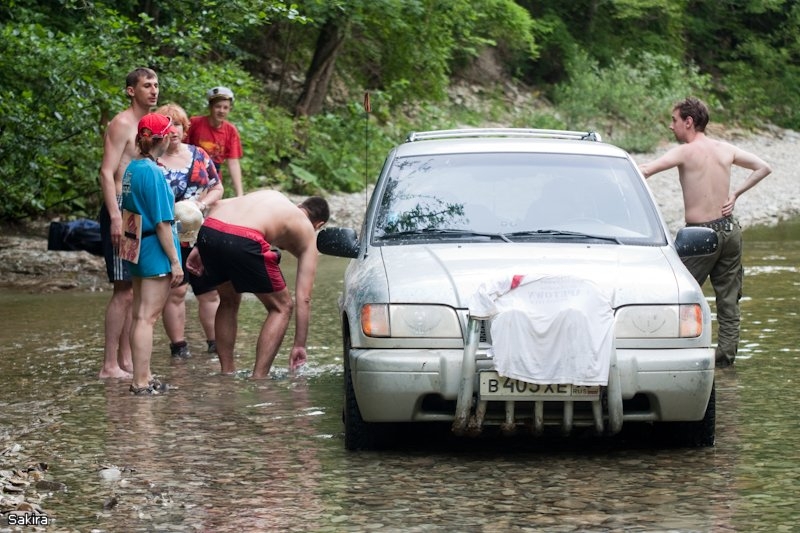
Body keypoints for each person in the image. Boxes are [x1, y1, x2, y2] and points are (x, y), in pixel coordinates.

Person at [639, 97, 772, 368]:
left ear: (689, 122)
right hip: (730, 230)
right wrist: (736, 193)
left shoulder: (685, 152)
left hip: (699, 236)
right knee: (728, 299)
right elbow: (764, 167)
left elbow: (645, 171)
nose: (670, 126)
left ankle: (677, 355)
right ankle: (724, 361)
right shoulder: (726, 149)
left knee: (678, 294)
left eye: (674, 120)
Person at [185, 191, 329, 379]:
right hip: (245, 238)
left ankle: (227, 373)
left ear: (301, 204)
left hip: (210, 231)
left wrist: (199, 246)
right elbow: (304, 298)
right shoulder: (308, 230)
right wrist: (299, 345)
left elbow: (217, 205)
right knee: (282, 307)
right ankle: (259, 378)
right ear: (319, 224)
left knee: (228, 300)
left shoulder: (272, 196)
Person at [97, 67, 160, 379]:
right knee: (122, 290)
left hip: (138, 211)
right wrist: (113, 216)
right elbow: (107, 172)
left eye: (156, 85)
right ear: (130, 91)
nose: (153, 90)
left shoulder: (149, 124)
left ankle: (125, 360)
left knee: (134, 288)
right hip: (121, 209)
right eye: (146, 85)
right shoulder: (122, 123)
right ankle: (110, 365)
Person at [120, 113, 184, 394]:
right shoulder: (155, 173)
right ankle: (140, 382)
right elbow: (162, 222)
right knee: (148, 317)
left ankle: (143, 376)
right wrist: (175, 261)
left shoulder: (133, 168)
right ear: (164, 137)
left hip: (136, 246)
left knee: (139, 316)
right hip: (155, 249)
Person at [155, 102, 224, 359]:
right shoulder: (153, 161)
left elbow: (217, 187)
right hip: (168, 235)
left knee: (209, 291)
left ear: (185, 128)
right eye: (166, 124)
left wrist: (201, 203)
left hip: (200, 233)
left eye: (177, 124)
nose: (172, 130)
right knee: (177, 290)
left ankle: (216, 344)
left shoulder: (199, 155)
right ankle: (179, 347)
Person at [187, 86, 244, 197]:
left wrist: (240, 194)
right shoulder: (194, 123)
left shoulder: (230, 131)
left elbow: (233, 162)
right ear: (210, 107)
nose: (221, 111)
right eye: (218, 106)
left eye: (225, 107)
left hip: (214, 180)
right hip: (190, 175)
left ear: (229, 109)